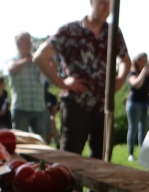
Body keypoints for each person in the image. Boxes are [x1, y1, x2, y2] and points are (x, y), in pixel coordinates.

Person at [34, 0, 131, 160]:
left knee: (102, 160)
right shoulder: (71, 30)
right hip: (76, 104)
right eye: (102, 2)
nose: (106, 7)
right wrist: (62, 83)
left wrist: (118, 82)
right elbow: (40, 57)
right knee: (70, 158)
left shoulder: (114, 33)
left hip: (103, 107)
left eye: (110, 4)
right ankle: (70, 186)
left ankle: (95, 187)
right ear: (91, 2)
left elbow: (126, 62)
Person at [7, 32, 48, 139]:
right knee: (21, 142)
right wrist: (29, 60)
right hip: (21, 108)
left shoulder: (39, 61)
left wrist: (47, 59)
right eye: (25, 40)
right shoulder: (13, 60)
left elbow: (51, 70)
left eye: (29, 40)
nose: (29, 43)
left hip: (39, 108)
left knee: (40, 142)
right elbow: (11, 68)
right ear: (17, 43)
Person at [126, 52, 149, 162]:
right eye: (143, 60)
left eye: (146, 61)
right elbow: (136, 84)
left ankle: (143, 153)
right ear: (137, 61)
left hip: (146, 103)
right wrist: (143, 72)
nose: (145, 63)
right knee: (133, 128)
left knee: (144, 129)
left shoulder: (148, 74)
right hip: (134, 104)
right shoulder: (131, 73)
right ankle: (131, 153)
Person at [44, 82, 59, 146]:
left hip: (49, 118)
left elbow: (54, 112)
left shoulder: (51, 97)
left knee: (52, 119)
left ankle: (56, 142)